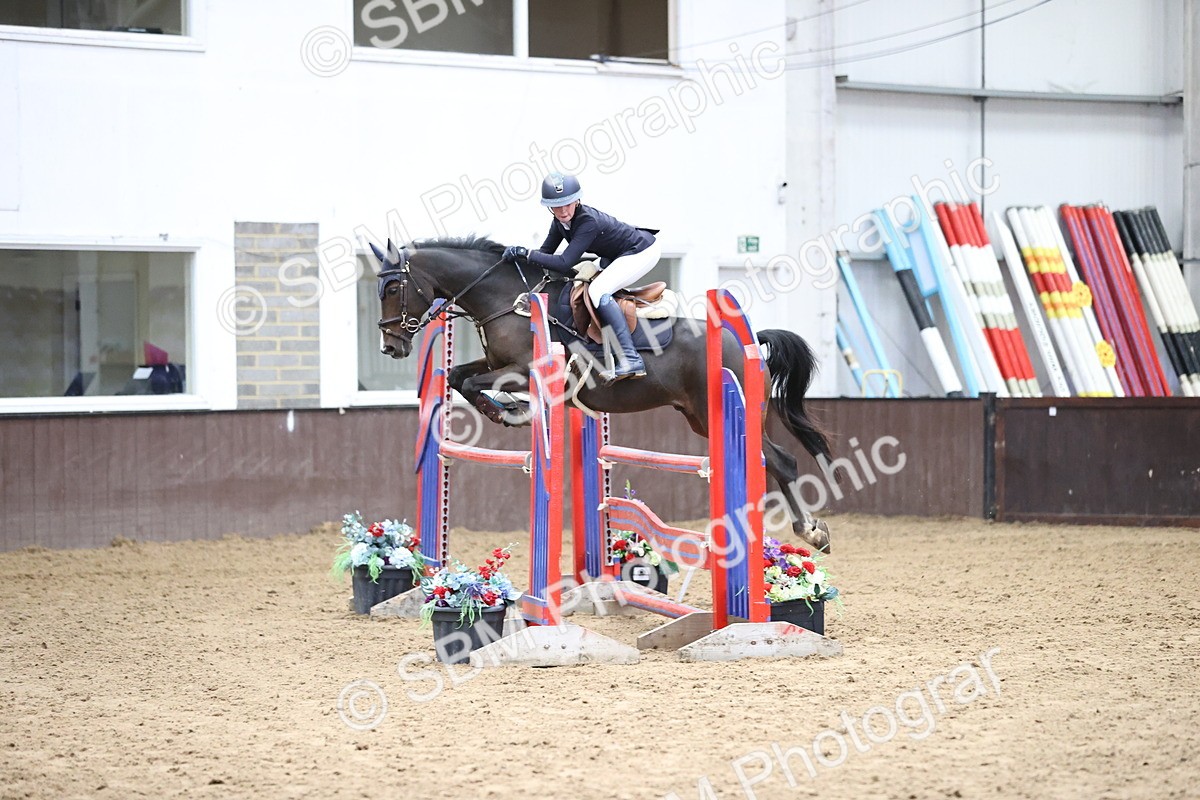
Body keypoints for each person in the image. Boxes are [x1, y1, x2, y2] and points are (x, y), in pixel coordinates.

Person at [502, 172, 661, 385]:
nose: (563, 210)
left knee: (598, 291)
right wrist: (519, 259)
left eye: (567, 204)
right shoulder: (559, 222)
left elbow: (564, 262)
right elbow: (546, 253)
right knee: (579, 279)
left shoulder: (588, 221)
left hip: (641, 251)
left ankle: (631, 358)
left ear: (577, 200)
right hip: (615, 255)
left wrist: (525, 253)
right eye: (556, 206)